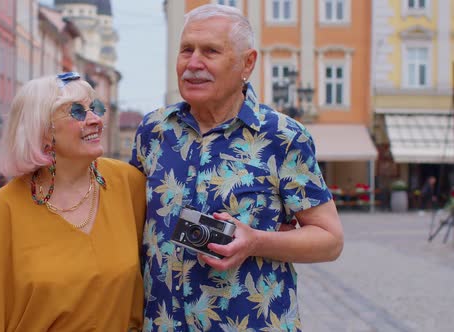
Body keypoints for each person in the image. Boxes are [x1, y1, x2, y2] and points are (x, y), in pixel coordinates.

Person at [129, 4, 344, 330]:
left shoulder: (282, 137)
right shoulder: (154, 131)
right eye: (187, 50)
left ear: (247, 63)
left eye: (210, 51)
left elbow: (330, 240)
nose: (193, 63)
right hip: (164, 323)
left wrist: (256, 240)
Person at [0, 72, 146, 331]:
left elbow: (171, 253)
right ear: (43, 132)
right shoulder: (8, 206)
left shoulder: (128, 184)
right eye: (78, 112)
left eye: (96, 108)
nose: (95, 120)